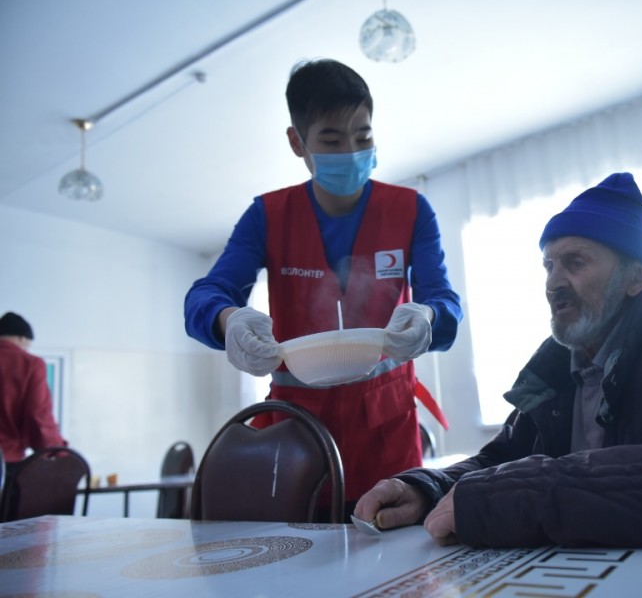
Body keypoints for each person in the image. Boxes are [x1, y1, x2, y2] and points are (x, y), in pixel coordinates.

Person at [354, 172, 642, 596]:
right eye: (549, 265)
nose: (553, 283)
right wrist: (428, 489)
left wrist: (529, 495)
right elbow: (500, 464)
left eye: (575, 263)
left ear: (636, 277)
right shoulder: (556, 370)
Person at [184, 59, 462, 514]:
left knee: (391, 551)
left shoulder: (411, 210)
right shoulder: (268, 217)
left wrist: (429, 315)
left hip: (386, 430)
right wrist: (228, 319)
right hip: (296, 437)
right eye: (332, 140)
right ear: (297, 142)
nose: (350, 152)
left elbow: (444, 301)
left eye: (363, 137)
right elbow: (205, 295)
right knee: (295, 551)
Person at [0, 312, 67, 469]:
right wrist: (58, 451)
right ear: (22, 339)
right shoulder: (30, 364)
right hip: (6, 459)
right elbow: (38, 415)